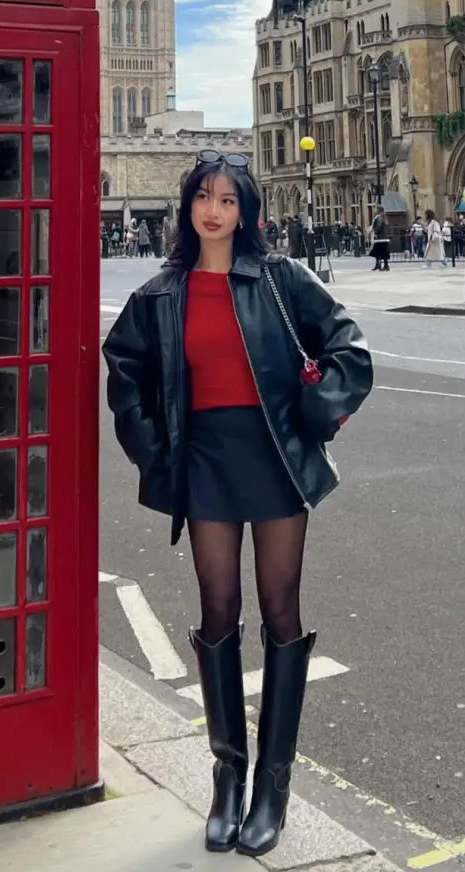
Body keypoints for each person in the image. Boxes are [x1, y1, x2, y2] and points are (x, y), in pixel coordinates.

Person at [102, 150, 374, 858]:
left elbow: (349, 344)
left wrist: (318, 412)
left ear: (245, 211)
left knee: (280, 611)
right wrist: (154, 453)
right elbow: (125, 374)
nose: (213, 209)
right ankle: (228, 780)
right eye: (202, 197)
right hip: (205, 462)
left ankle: (272, 789)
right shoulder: (161, 294)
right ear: (188, 207)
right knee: (217, 611)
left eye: (227, 199)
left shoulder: (283, 280)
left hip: (276, 458)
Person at [369, 207, 391, 271]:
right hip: (384, 238)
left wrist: (375, 232)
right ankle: (383, 265)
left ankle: (381, 265)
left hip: (380, 238)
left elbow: (379, 226)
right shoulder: (384, 218)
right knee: (383, 253)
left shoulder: (379, 218)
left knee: (379, 252)